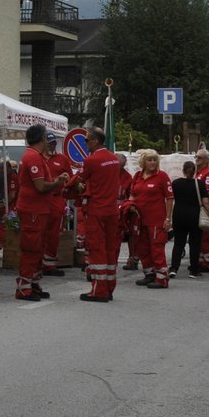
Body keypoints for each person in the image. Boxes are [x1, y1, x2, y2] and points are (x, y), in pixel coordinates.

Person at [74, 128, 125, 301]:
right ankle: (110, 287)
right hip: (112, 210)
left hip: (96, 210)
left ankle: (99, 290)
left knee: (96, 250)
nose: (85, 143)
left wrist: (71, 185)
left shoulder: (92, 160)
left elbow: (78, 181)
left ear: (95, 141)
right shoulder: (113, 159)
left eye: (87, 140)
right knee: (110, 249)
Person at [13, 124, 57, 301]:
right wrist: (58, 182)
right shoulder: (33, 157)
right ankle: (24, 287)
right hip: (33, 209)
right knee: (31, 248)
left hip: (38, 209)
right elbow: (40, 186)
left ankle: (33, 283)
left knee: (38, 248)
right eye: (46, 137)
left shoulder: (35, 156)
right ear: (42, 138)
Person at [128, 149, 173, 288]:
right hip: (140, 219)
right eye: (149, 160)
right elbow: (132, 195)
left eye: (155, 160)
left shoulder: (162, 176)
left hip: (156, 220)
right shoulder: (137, 176)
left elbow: (170, 198)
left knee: (156, 249)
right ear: (143, 162)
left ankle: (162, 278)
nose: (153, 162)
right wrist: (130, 205)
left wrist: (168, 219)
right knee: (142, 248)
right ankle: (149, 274)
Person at [41, 129, 73, 280]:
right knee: (40, 231)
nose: (51, 146)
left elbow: (71, 179)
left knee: (54, 232)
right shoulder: (38, 158)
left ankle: (50, 263)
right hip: (41, 199)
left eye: (53, 143)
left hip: (56, 199)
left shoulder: (63, 159)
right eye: (48, 143)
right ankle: (38, 262)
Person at [169, 160, 204, 278]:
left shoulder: (176, 183)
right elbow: (206, 202)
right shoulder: (200, 184)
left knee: (179, 243)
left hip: (179, 214)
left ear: (183, 170)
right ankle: (194, 269)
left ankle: (174, 267)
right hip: (195, 215)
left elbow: (170, 198)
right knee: (195, 244)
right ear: (195, 171)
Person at [194, 149, 209, 274]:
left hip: (205, 208)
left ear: (206, 160)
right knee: (199, 236)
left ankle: (207, 262)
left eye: (200, 158)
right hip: (198, 208)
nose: (197, 160)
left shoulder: (208, 174)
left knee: (206, 236)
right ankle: (200, 260)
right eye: (196, 157)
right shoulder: (197, 173)